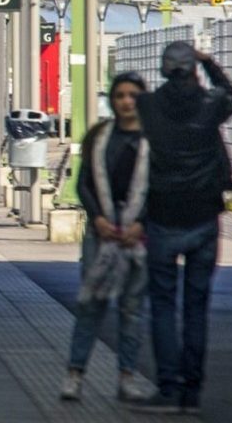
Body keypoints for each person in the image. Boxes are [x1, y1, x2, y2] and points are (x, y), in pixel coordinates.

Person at [131, 41, 232, 414]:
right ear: (193, 68)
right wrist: (209, 62)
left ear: (163, 69)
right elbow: (231, 96)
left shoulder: (147, 107)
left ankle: (167, 388)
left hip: (162, 216)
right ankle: (191, 393)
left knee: (162, 305)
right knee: (196, 307)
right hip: (204, 217)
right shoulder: (210, 106)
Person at [62, 73, 154, 403]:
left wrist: (140, 224)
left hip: (136, 236)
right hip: (100, 232)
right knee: (91, 303)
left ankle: (127, 377)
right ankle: (75, 373)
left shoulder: (153, 141)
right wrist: (97, 217)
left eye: (133, 95)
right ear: (112, 101)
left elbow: (158, 189)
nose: (127, 101)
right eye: (120, 96)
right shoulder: (99, 137)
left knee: (131, 309)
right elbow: (84, 183)